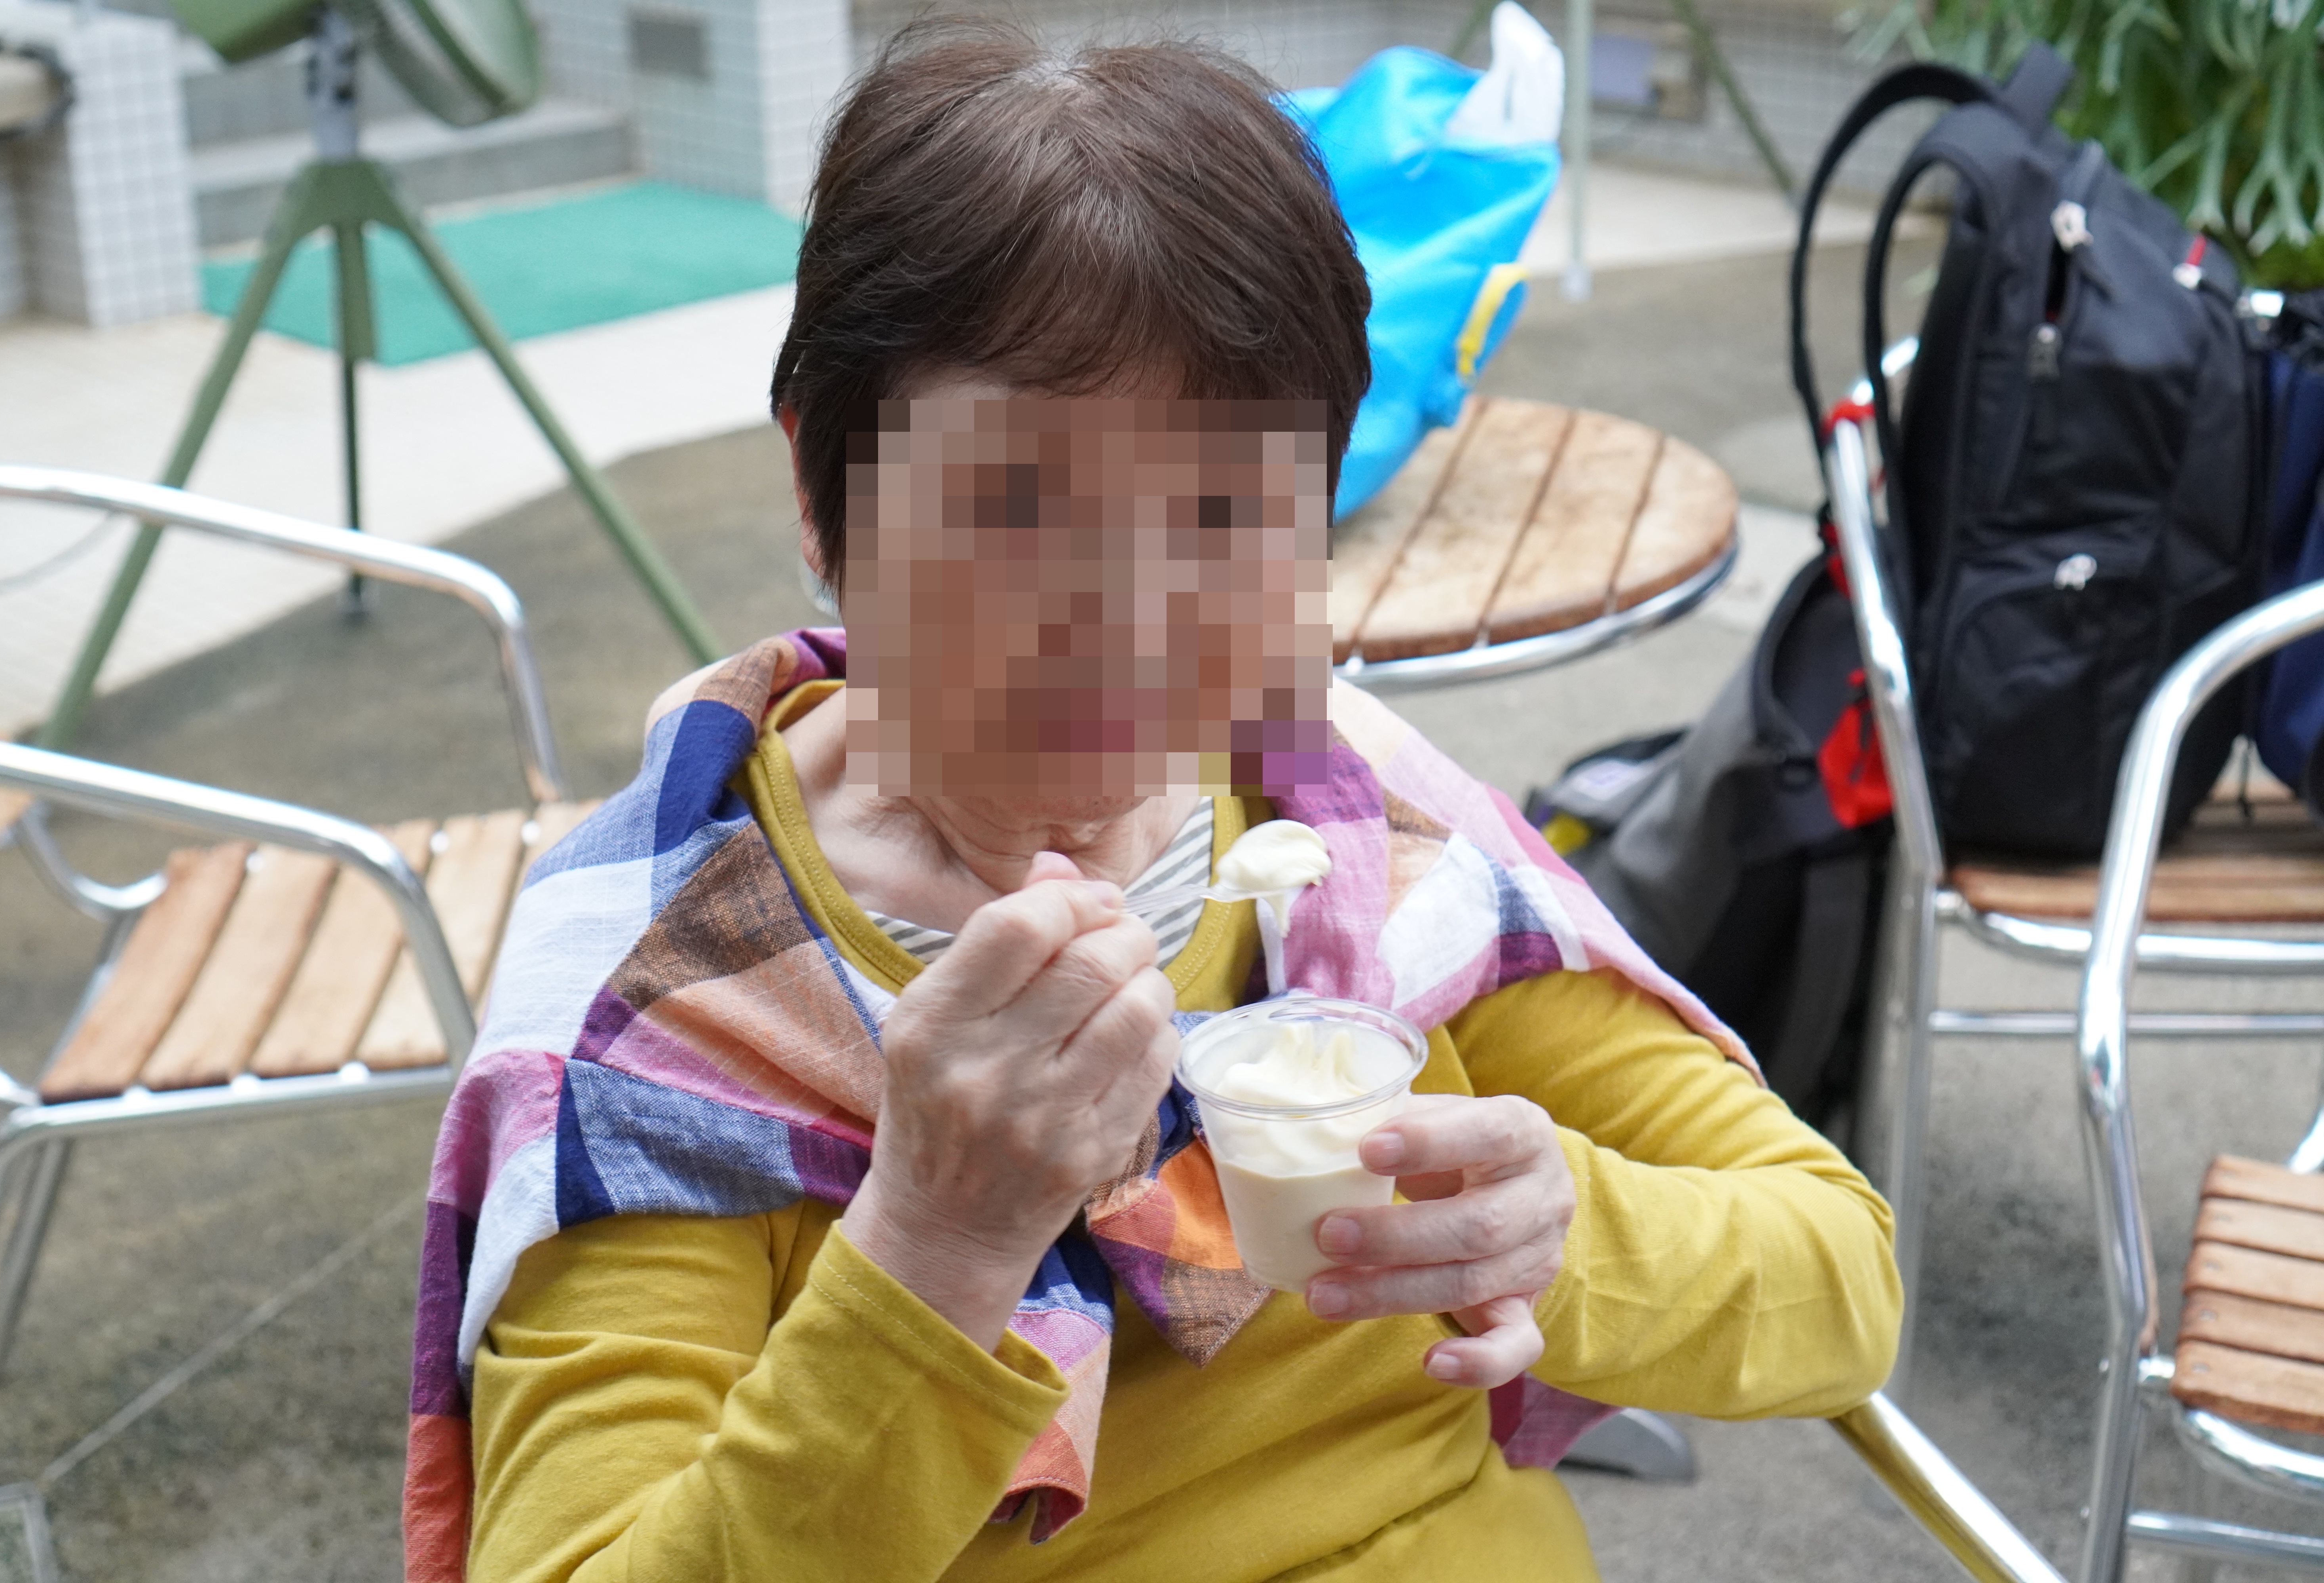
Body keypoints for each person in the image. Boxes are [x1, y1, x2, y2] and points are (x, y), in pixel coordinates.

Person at [403, 20, 1900, 1583]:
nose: (1128, 613)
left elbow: (1843, 1280)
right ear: (818, 489)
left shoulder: (1347, 826)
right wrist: (934, 1242)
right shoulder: (685, 994)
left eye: (1222, 510)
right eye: (1014, 502)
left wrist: (1561, 1228)